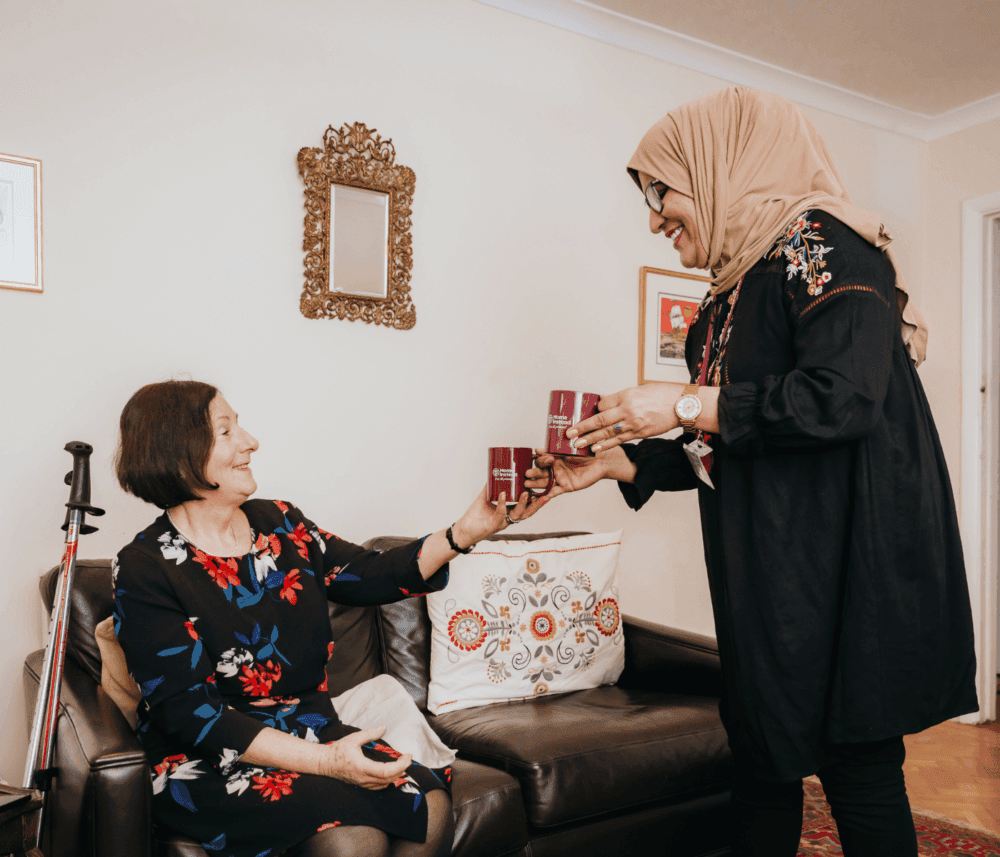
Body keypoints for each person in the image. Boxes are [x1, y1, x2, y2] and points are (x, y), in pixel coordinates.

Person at [527, 87, 978, 856]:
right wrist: (612, 462)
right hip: (769, 583)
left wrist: (680, 403)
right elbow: (727, 441)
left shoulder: (821, 246)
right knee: (762, 760)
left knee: (858, 770)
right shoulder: (722, 302)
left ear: (719, 169)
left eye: (662, 192)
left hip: (846, 578)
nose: (654, 218)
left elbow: (842, 397)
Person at [112, 379, 546, 857]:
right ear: (179, 456)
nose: (251, 442)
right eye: (226, 431)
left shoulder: (281, 522)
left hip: (311, 729)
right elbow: (193, 715)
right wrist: (327, 762)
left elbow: (369, 574)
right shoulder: (144, 567)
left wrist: (466, 531)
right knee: (352, 842)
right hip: (212, 757)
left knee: (429, 803)